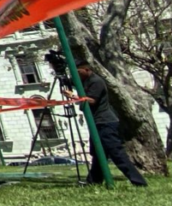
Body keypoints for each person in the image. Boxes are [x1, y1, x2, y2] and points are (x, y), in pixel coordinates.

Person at [63, 58, 148, 187]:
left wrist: (73, 97)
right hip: (96, 122)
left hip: (105, 121)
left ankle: (138, 182)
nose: (76, 75)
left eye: (78, 72)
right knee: (98, 153)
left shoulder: (96, 81)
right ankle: (94, 181)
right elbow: (69, 82)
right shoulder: (83, 80)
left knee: (116, 153)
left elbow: (92, 100)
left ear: (86, 69)